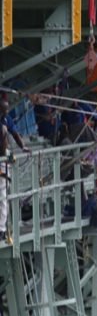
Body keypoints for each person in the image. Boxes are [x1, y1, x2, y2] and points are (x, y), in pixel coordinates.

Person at [0, 98, 29, 243]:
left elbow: (15, 134)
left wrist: (23, 146)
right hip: (2, 160)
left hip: (2, 162)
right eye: (4, 110)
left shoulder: (6, 120)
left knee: (3, 196)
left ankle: (1, 229)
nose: (6, 112)